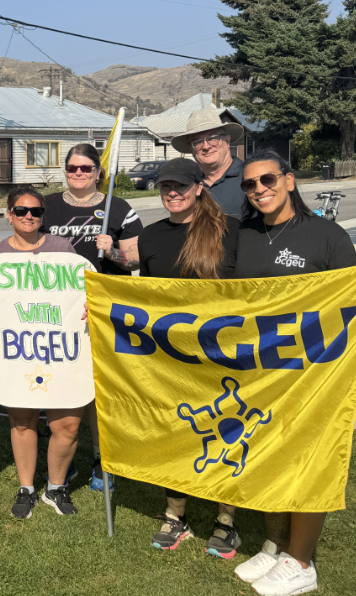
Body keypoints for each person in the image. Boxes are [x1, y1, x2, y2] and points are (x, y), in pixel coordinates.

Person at [230, 151, 356, 595]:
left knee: (309, 463)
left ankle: (301, 562)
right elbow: (226, 297)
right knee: (269, 458)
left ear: (289, 180)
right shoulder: (244, 235)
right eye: (249, 184)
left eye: (267, 179)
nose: (259, 190)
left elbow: (353, 296)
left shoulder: (327, 235)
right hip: (262, 372)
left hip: (315, 374)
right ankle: (276, 543)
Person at [135, 159, 243, 558]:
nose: (172, 193)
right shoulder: (151, 236)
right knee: (176, 434)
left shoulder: (231, 230)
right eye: (166, 186)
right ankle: (175, 515)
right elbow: (146, 299)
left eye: (181, 186)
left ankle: (226, 521)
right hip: (171, 358)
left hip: (222, 356)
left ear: (199, 187)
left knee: (227, 434)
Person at [0, 185, 81, 519]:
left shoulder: (62, 249)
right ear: (9, 215)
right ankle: (27, 488)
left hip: (60, 351)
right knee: (22, 421)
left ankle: (56, 488)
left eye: (36, 211)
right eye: (21, 210)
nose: (29, 216)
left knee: (67, 425)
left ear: (43, 216)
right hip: (18, 352)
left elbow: (80, 291)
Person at [43, 143, 140, 492]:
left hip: (103, 309)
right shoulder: (47, 206)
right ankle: (63, 458)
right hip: (56, 311)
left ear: (98, 172)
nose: (79, 174)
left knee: (101, 390)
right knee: (61, 388)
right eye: (73, 168)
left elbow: (135, 260)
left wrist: (112, 251)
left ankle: (103, 459)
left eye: (86, 168)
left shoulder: (120, 208)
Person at [169, 107, 247, 219]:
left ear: (227, 140)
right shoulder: (189, 185)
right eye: (197, 142)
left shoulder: (250, 177)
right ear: (191, 149)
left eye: (213, 138)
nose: (206, 146)